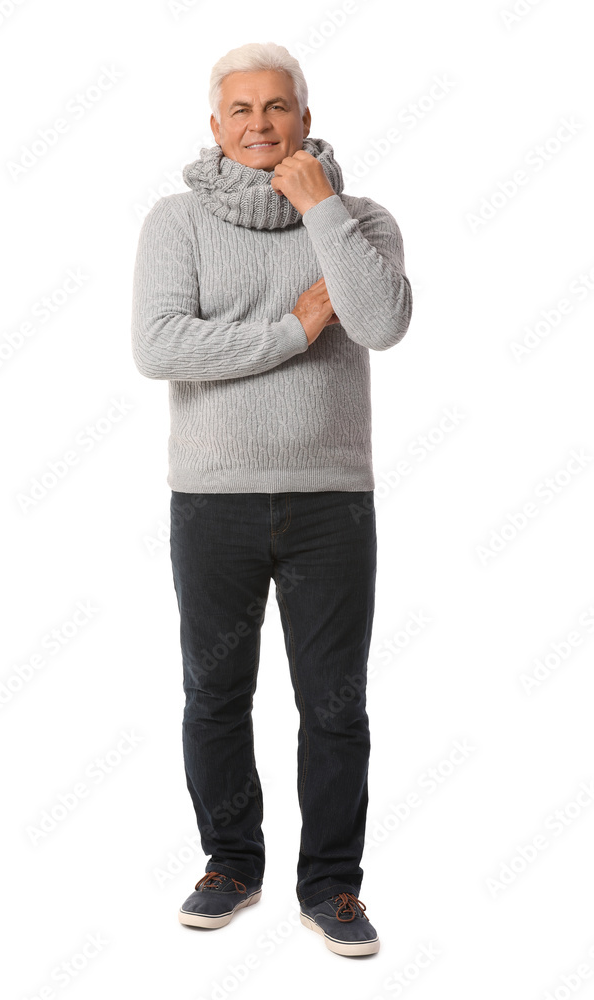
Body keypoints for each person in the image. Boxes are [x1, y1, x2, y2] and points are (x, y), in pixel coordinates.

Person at [131, 41, 412, 957]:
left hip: (333, 501)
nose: (260, 125)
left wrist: (318, 207)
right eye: (241, 110)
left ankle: (330, 886)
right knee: (215, 693)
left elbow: (377, 322)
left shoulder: (359, 218)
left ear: (304, 118)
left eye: (277, 107)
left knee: (334, 704)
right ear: (216, 127)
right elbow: (163, 345)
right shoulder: (176, 223)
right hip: (212, 501)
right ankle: (230, 864)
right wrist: (294, 327)